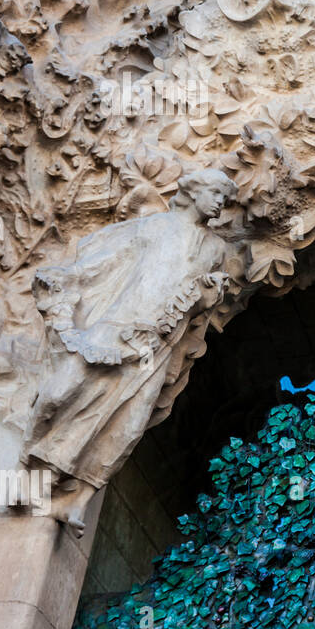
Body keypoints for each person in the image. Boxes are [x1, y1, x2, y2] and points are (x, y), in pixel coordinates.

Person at [22, 169, 238, 534]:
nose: (220, 203)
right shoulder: (153, 226)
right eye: (216, 193)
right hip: (114, 328)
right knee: (62, 394)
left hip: (156, 347)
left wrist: (208, 294)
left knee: (127, 424)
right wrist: (68, 280)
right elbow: (104, 258)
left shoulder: (215, 249)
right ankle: (33, 475)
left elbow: (199, 307)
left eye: (226, 199)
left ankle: (78, 499)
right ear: (194, 190)